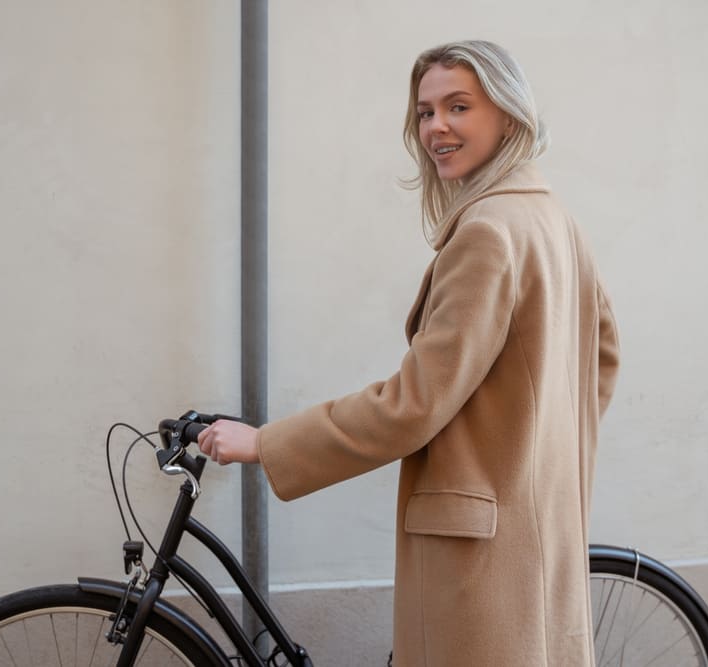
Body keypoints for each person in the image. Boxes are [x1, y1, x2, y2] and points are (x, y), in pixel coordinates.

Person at [198, 40, 620, 666]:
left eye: (458, 107)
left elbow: (413, 404)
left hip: (482, 553)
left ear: (507, 114)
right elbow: (602, 355)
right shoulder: (552, 218)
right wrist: (534, 448)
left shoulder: (487, 232)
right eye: (425, 112)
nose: (436, 127)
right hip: (539, 534)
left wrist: (265, 444)